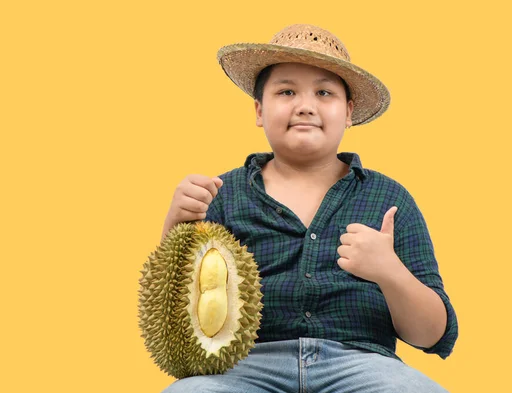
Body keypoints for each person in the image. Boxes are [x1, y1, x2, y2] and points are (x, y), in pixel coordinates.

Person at [160, 24, 458, 393]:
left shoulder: (389, 200)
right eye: (286, 91)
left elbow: (431, 335)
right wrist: (175, 224)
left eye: (324, 92)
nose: (305, 105)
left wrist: (389, 272)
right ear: (259, 109)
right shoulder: (221, 194)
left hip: (362, 364)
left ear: (348, 112)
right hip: (245, 365)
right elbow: (175, 318)